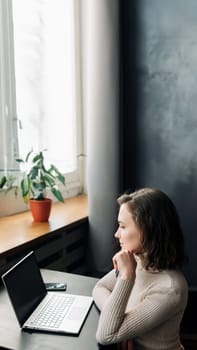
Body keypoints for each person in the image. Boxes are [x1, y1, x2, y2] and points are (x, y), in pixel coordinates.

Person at [93, 188, 188, 350]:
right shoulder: (138, 260)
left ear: (148, 229)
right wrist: (121, 319)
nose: (117, 234)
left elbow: (106, 335)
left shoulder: (169, 288)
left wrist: (127, 277)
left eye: (122, 227)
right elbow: (99, 287)